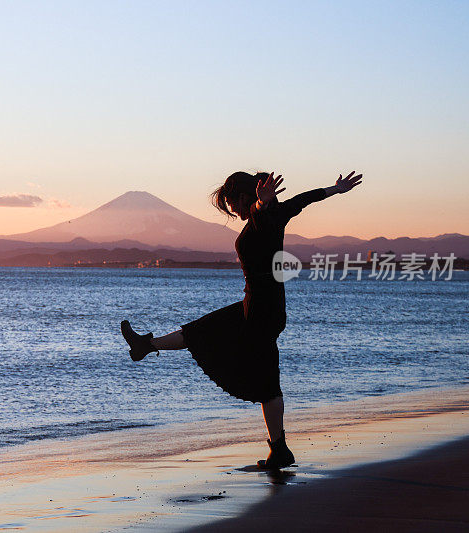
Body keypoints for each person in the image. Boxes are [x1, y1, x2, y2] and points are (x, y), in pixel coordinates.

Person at [120, 170, 363, 469]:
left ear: (246, 196)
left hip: (263, 308)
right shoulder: (277, 213)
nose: (231, 210)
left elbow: (267, 211)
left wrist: (262, 204)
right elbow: (304, 199)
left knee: (266, 383)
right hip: (257, 303)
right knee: (204, 331)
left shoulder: (264, 217)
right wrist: (334, 189)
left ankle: (281, 450)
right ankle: (146, 345)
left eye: (232, 202)